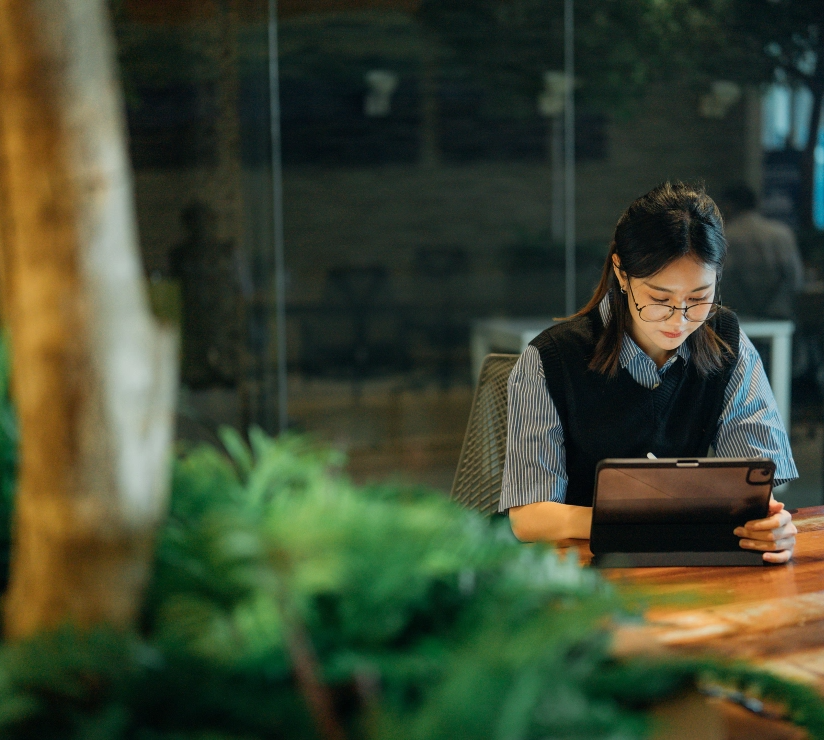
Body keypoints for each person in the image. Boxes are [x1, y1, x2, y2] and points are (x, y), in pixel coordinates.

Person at [499, 182, 798, 563]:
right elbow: (529, 518)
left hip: (675, 563)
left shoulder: (727, 344)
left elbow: (757, 485)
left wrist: (771, 525)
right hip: (571, 568)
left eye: (699, 297)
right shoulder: (551, 358)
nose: (680, 319)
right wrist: (650, 524)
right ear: (622, 274)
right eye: (659, 300)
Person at [720, 183, 804, 321]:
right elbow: (795, 278)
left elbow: (723, 282)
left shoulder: (726, 235)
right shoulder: (781, 233)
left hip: (739, 318)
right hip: (779, 315)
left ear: (728, 205)